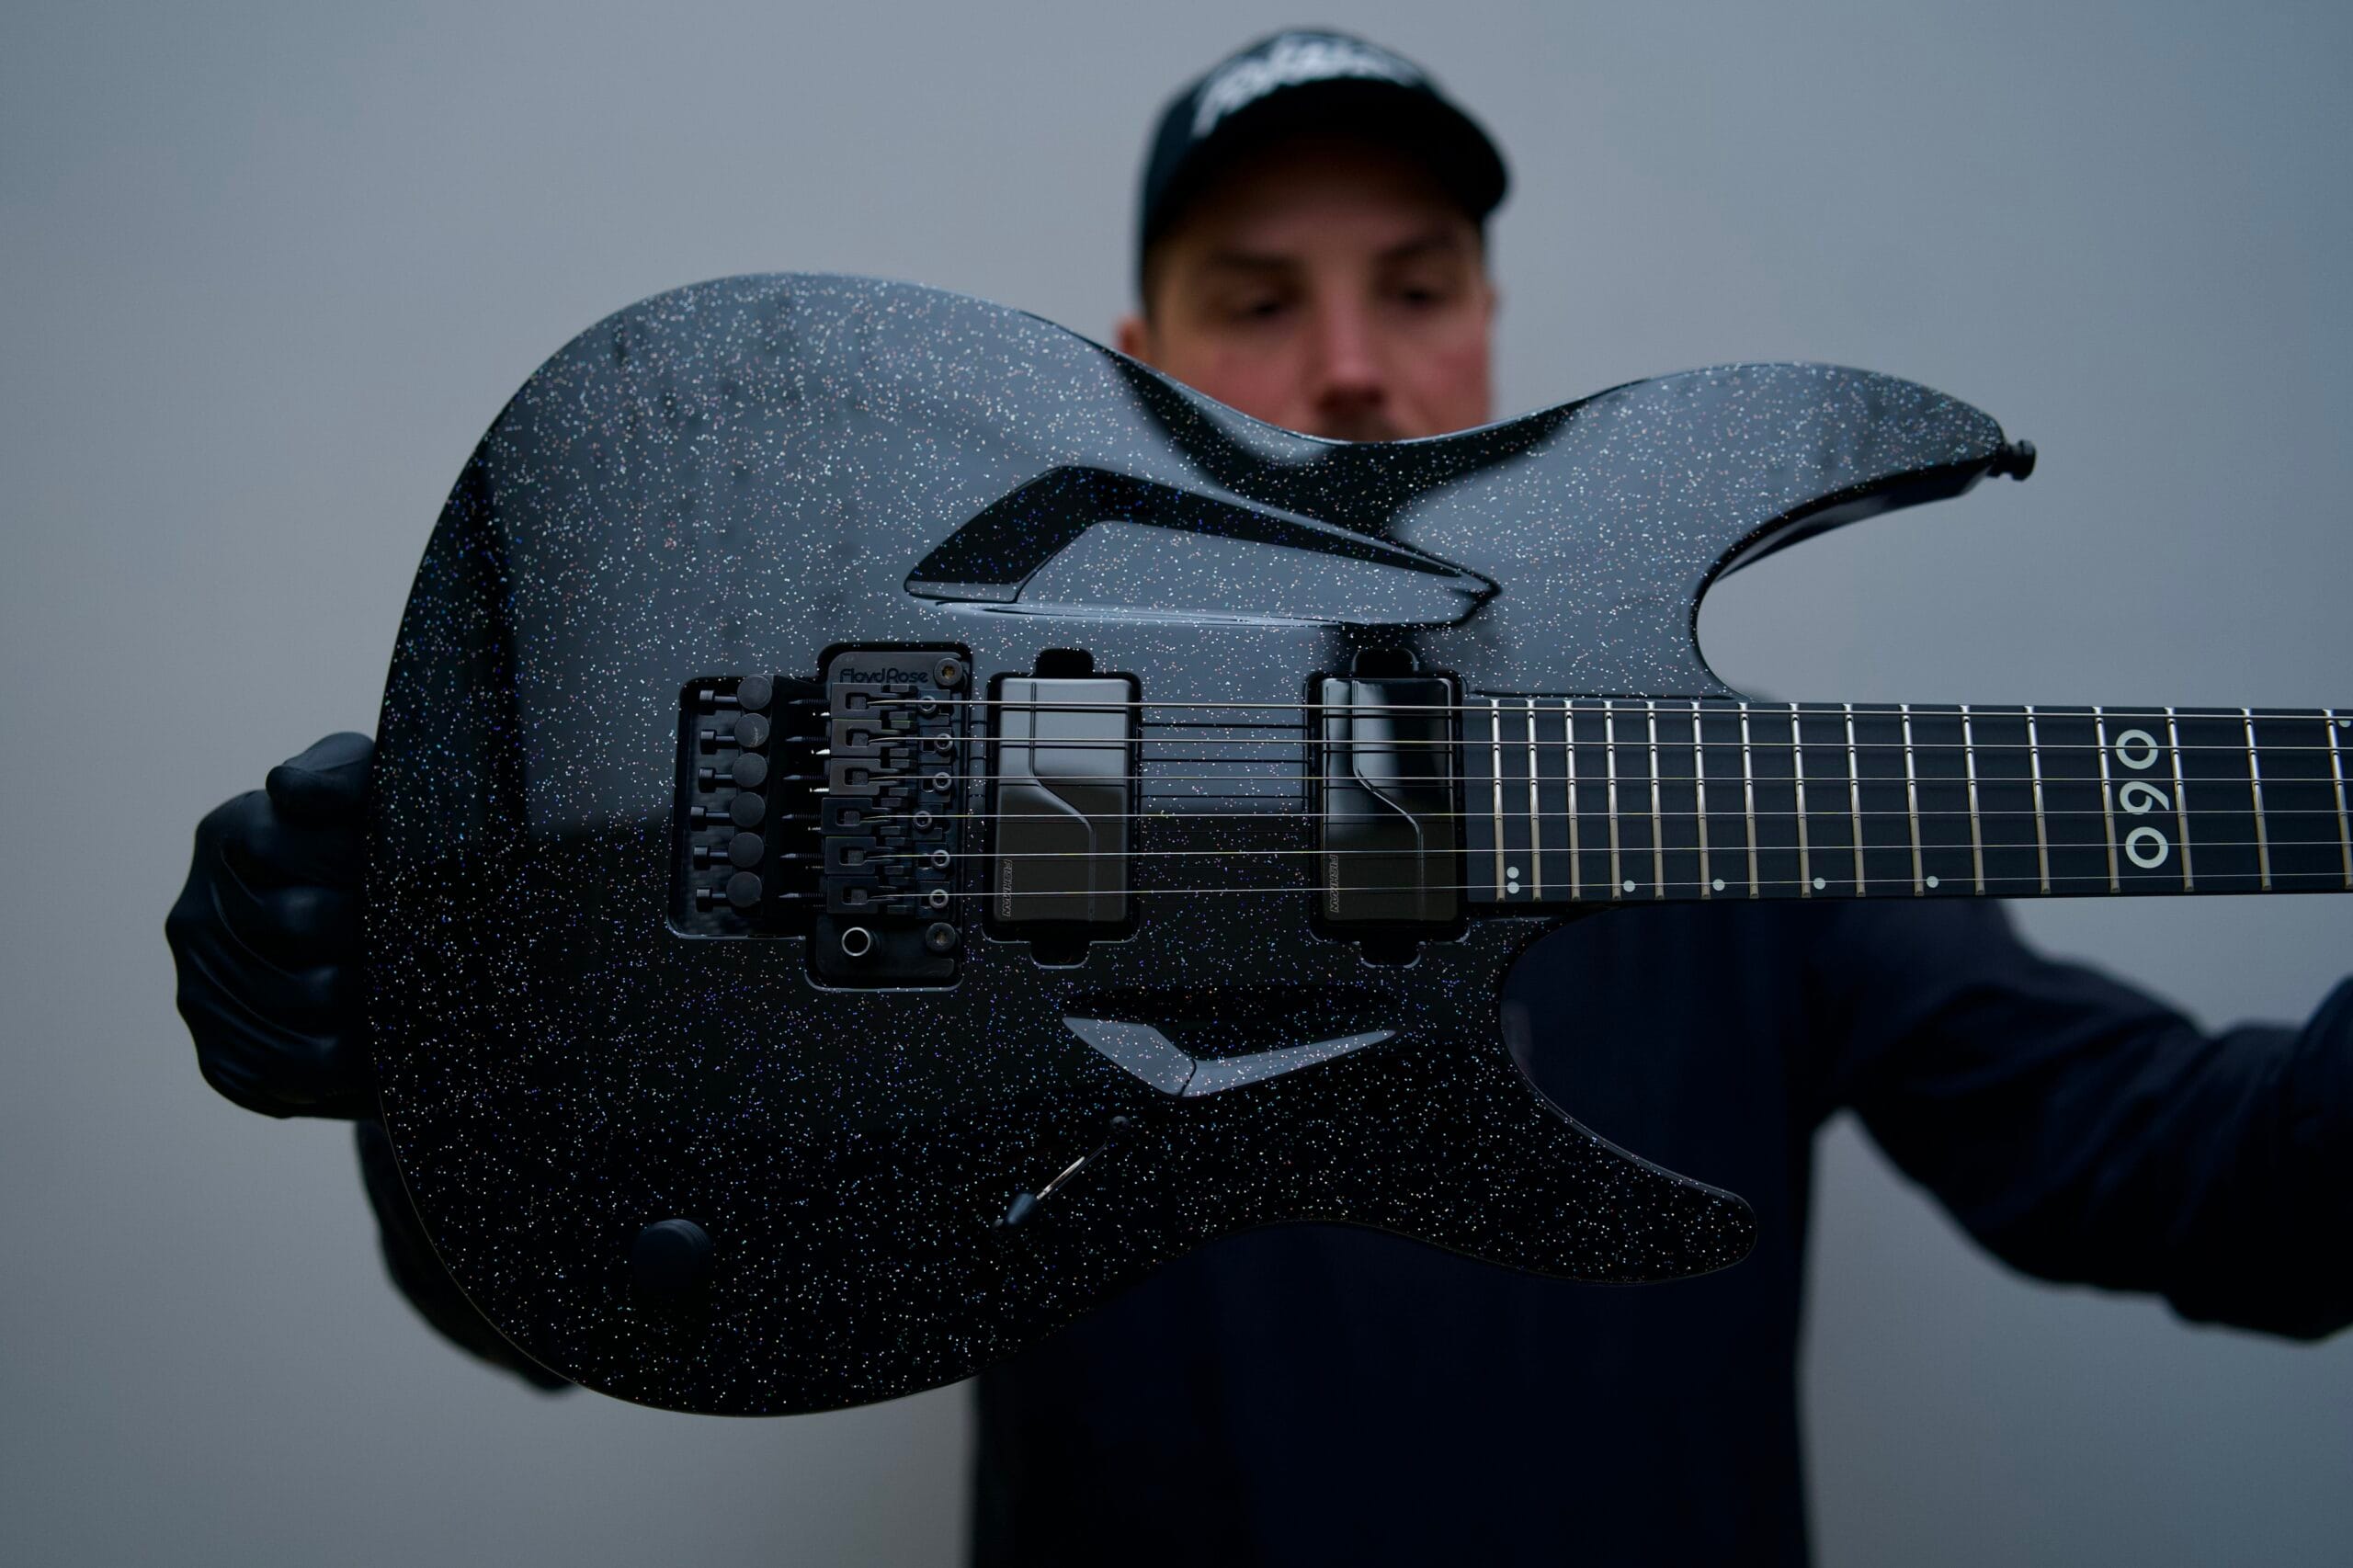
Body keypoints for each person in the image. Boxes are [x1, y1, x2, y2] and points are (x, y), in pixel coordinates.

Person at [167, 29, 2351, 1567]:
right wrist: (420, 1042)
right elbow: (607, 1289)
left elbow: (2199, 1183)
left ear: (1490, 332)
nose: (1352, 358)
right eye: (1255, 296)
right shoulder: (979, 774)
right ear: (1129, 376)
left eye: (1415, 286)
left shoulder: (1762, 828)